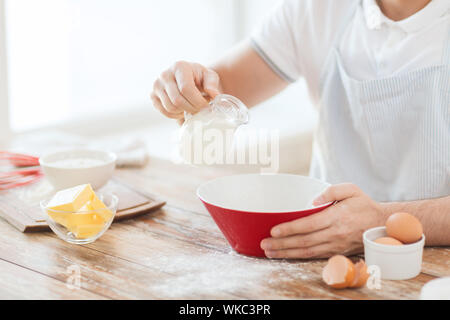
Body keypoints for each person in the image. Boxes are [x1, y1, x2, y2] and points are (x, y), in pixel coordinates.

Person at [150, 0, 450, 258]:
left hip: (435, 263)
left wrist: (379, 221)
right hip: (316, 253)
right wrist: (184, 86)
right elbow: (219, 89)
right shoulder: (318, 9)